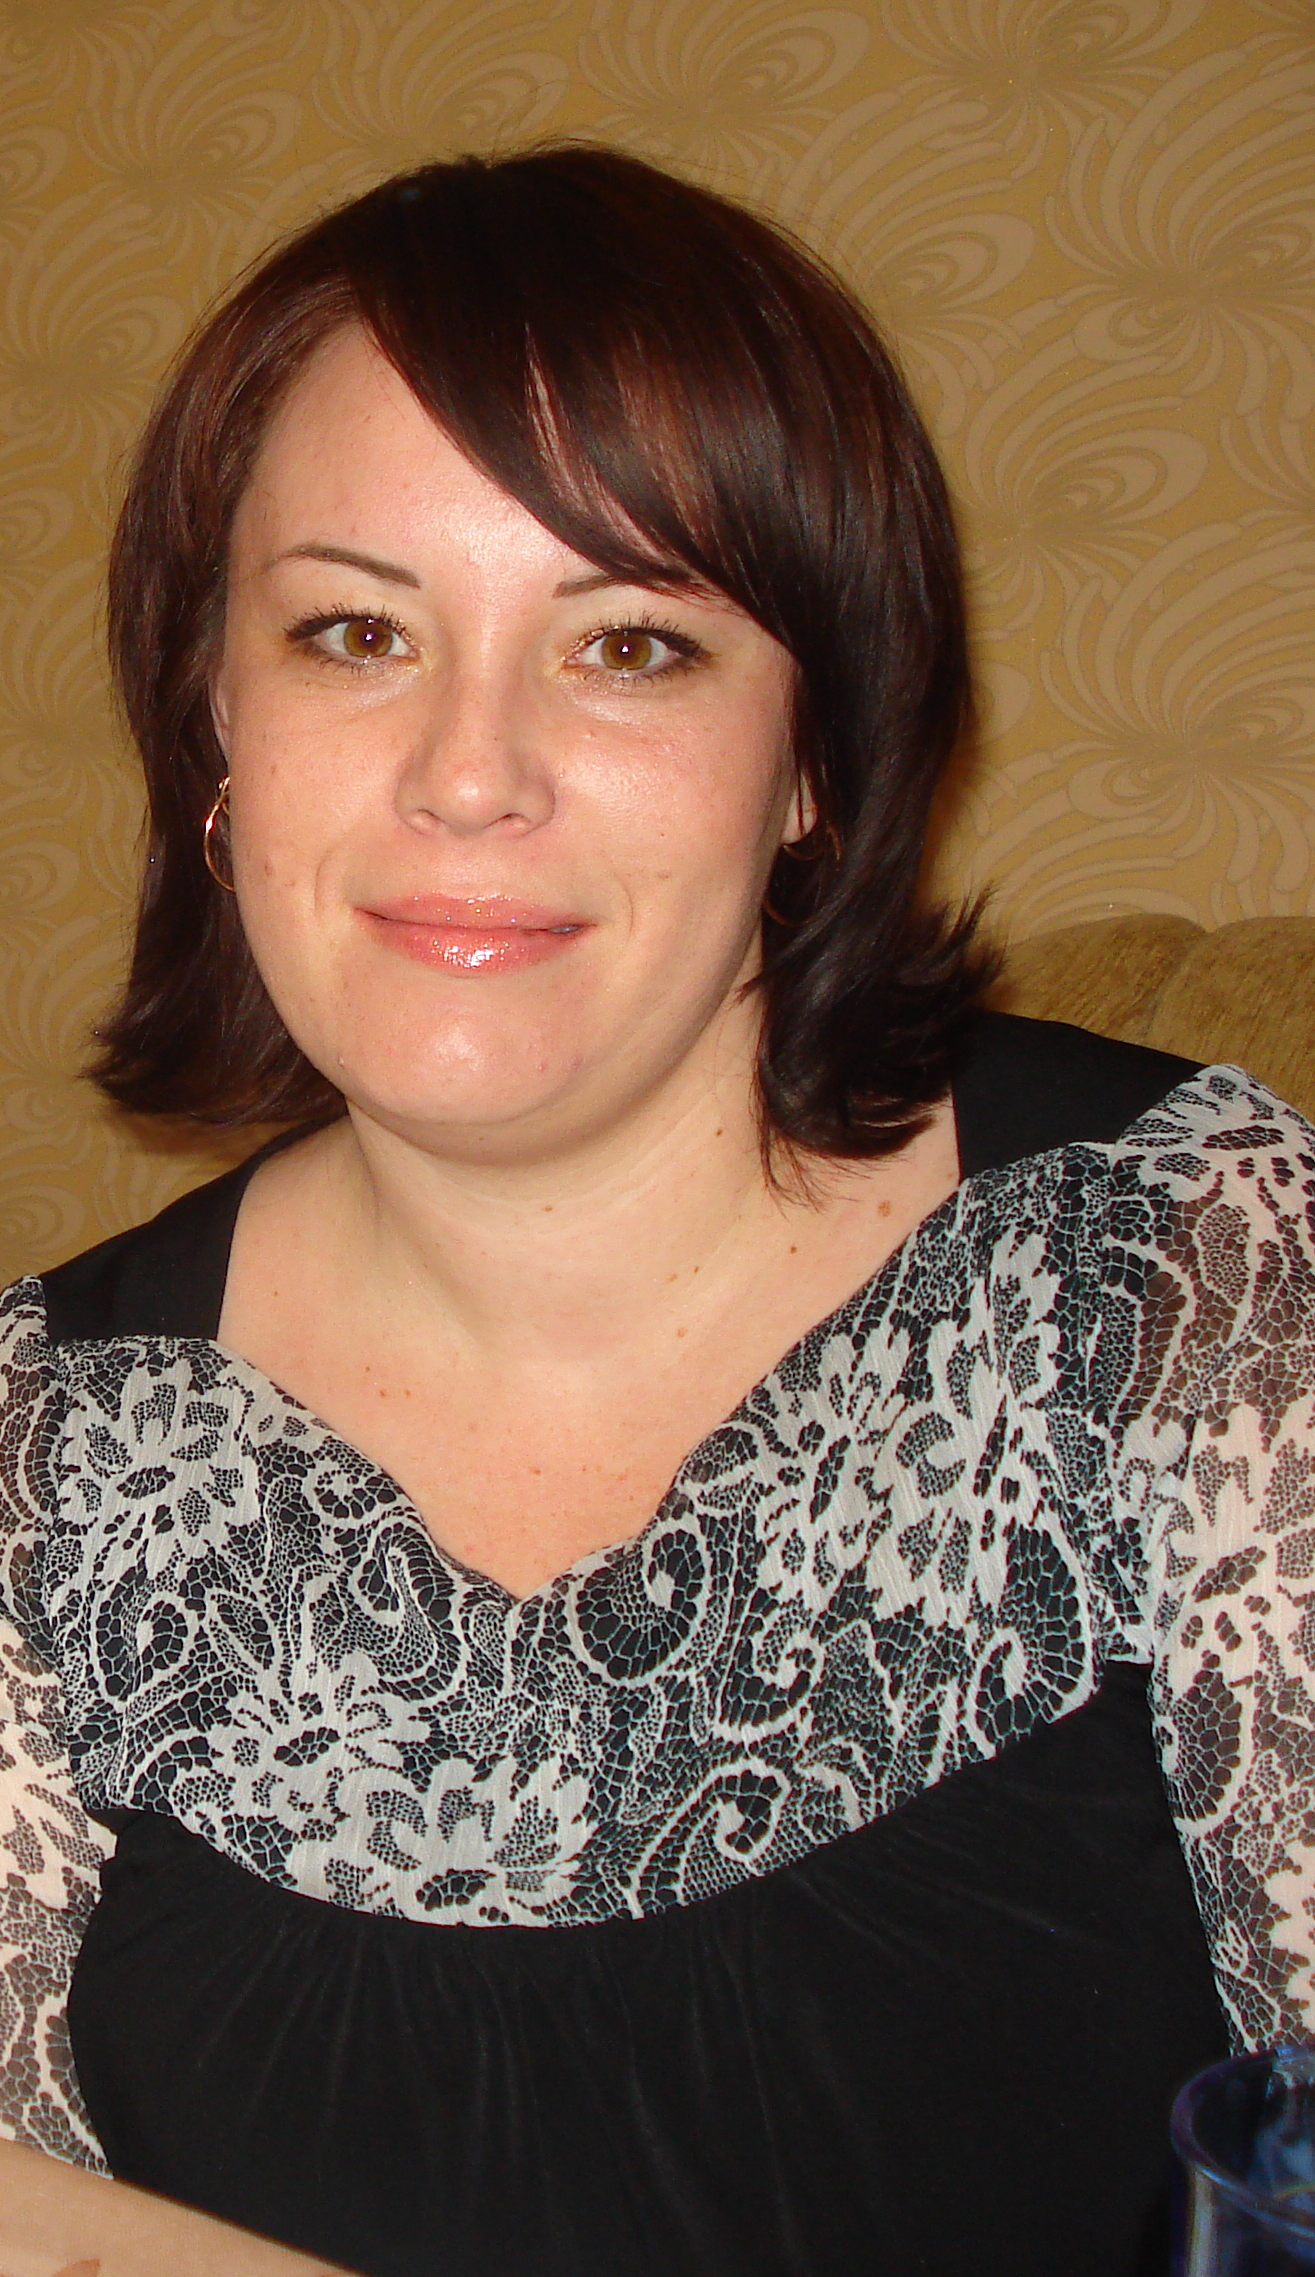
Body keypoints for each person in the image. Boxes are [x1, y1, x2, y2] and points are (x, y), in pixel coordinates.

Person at [0, 143, 1310, 2277]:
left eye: (627, 643)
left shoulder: (1203, 1279)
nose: (469, 771)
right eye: (353, 631)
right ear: (214, 715)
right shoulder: (31, 1460)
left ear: (815, 754)